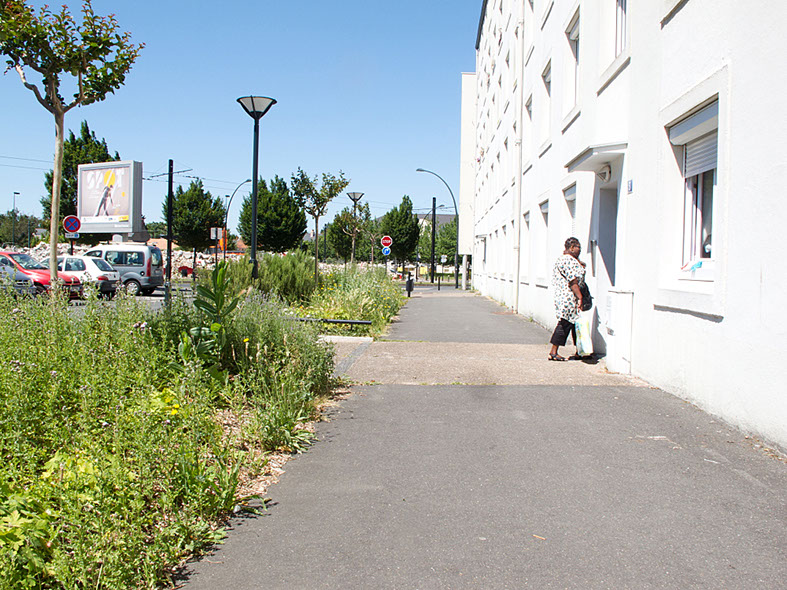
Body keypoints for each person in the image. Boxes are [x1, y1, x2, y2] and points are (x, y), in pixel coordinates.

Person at [549, 237, 586, 361]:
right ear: (572, 247)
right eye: (578, 247)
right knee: (565, 323)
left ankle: (580, 351)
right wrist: (580, 297)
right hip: (568, 297)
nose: (580, 250)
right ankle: (553, 351)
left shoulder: (569, 260)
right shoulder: (567, 260)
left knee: (575, 324)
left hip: (567, 297)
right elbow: (573, 281)